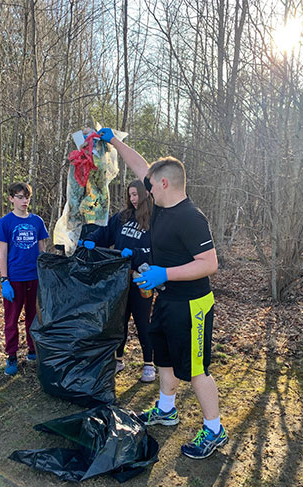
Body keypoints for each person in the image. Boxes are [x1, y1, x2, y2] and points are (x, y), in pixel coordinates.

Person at [96, 127, 228, 460]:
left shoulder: (190, 218)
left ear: (164, 184)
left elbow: (209, 263)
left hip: (192, 304)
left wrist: (164, 273)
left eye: (151, 184)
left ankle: (215, 430)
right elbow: (141, 166)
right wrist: (113, 140)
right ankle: (166, 410)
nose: (145, 186)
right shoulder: (159, 207)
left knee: (196, 370)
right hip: (166, 299)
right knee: (164, 357)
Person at [81, 179, 156, 382]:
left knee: (142, 321)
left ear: (146, 194)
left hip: (142, 280)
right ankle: (118, 359)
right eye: (130, 194)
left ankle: (149, 363)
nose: (133, 199)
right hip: (120, 279)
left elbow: (156, 251)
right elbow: (106, 233)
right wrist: (92, 239)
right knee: (119, 321)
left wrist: (136, 253)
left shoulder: (154, 219)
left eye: (136, 194)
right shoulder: (122, 217)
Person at [0, 182, 49, 376]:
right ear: (11, 199)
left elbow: (42, 250)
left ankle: (33, 350)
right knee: (11, 320)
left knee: (34, 317)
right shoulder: (5, 223)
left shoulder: (37, 222)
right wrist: (4, 279)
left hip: (34, 278)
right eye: (20, 197)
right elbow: (2, 253)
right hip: (15, 279)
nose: (24, 201)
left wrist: (46, 272)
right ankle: (12, 356)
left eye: (27, 197)